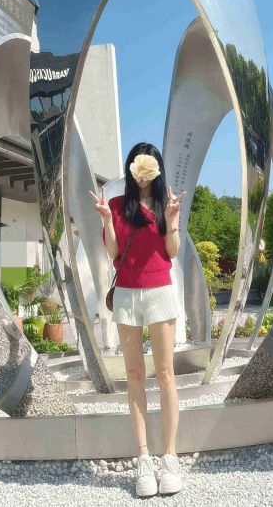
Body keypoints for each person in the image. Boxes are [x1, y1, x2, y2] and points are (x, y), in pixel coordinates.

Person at [90, 142, 185, 497]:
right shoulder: (117, 206)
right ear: (131, 168)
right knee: (133, 375)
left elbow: (171, 252)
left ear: (156, 169)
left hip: (160, 290)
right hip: (128, 294)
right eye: (136, 163)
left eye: (148, 164)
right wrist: (105, 220)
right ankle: (143, 458)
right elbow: (114, 252)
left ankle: (170, 457)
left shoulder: (165, 205)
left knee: (165, 373)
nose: (142, 171)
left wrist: (172, 221)